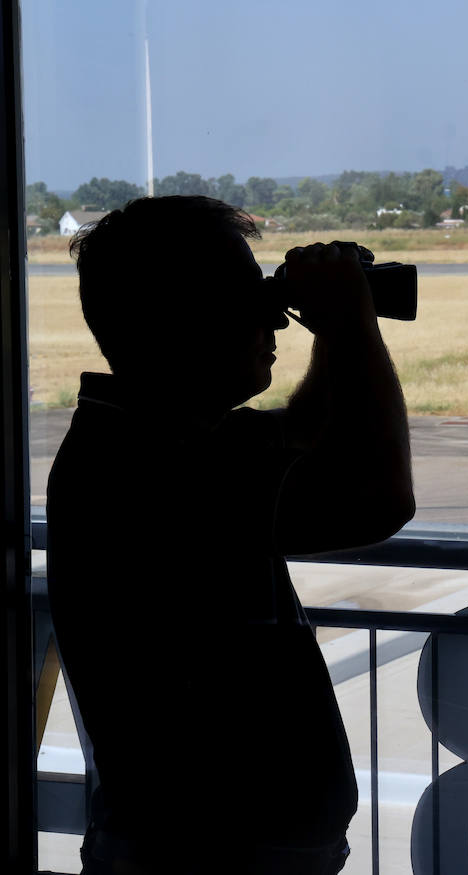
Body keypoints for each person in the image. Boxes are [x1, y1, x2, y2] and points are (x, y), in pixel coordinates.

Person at [46, 195, 415, 874]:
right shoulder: (150, 465)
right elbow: (377, 498)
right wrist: (353, 326)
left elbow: (306, 425)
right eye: (251, 297)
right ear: (185, 317)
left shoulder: (156, 433)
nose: (274, 314)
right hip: (206, 857)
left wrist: (338, 329)